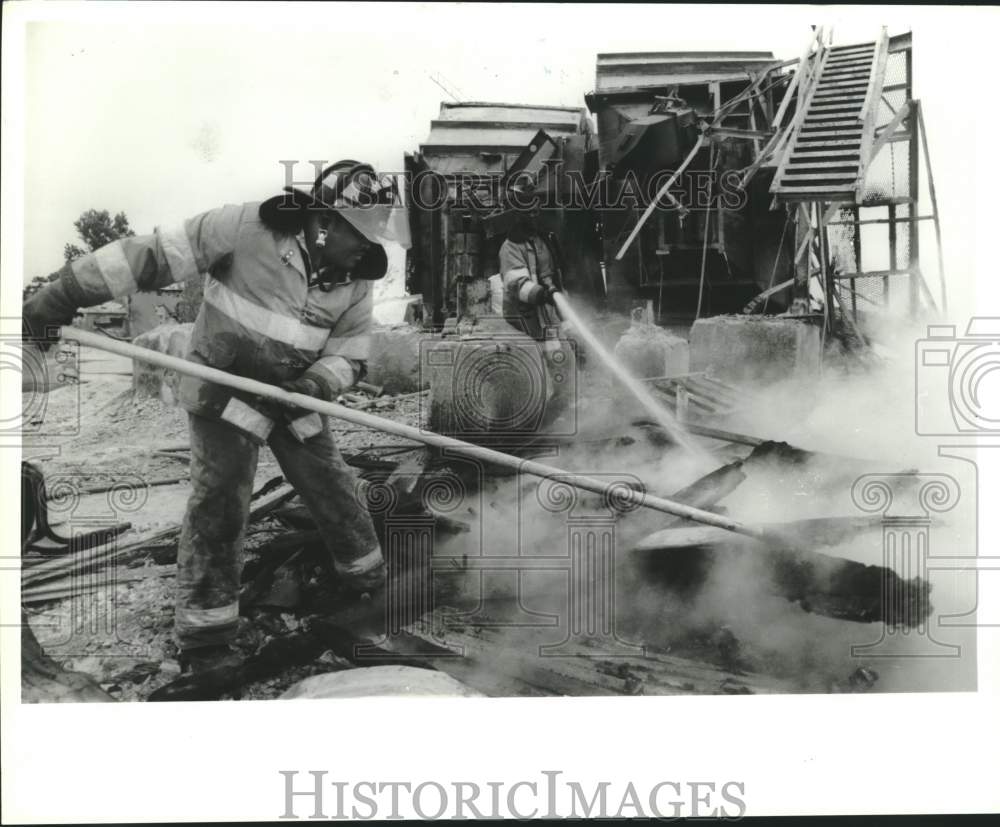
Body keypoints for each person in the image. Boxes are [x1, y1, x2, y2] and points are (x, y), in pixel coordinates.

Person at [23, 160, 408, 672]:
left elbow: (352, 356)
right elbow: (148, 257)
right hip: (223, 390)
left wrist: (313, 385)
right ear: (324, 221)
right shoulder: (244, 229)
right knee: (222, 499)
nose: (367, 248)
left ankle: (367, 586)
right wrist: (61, 294)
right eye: (359, 235)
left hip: (295, 397)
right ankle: (207, 638)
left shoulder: (356, 280)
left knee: (333, 485)